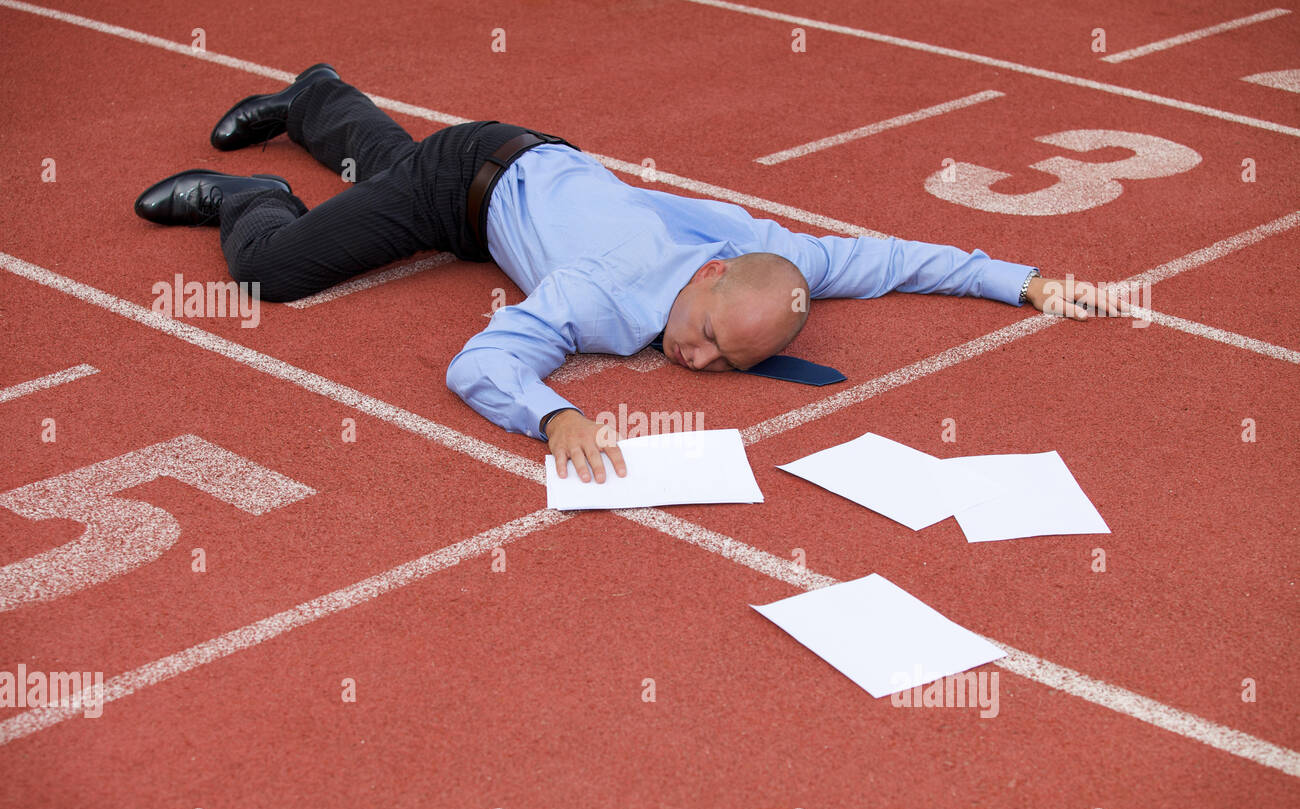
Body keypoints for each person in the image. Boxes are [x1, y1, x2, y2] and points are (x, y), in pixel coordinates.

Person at [135, 64, 1110, 485]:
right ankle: (248, 195)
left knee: (374, 164)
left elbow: (896, 259)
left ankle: (317, 94)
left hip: (528, 170)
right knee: (275, 272)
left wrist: (1021, 279)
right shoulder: (606, 293)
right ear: (713, 275)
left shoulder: (781, 258)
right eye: (705, 336)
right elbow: (483, 362)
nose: (694, 360)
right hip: (462, 185)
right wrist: (553, 415)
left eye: (724, 364)